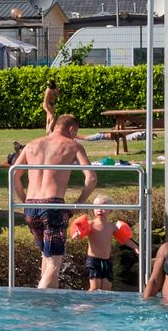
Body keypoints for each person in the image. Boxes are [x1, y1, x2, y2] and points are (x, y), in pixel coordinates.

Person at [14, 113, 93, 290]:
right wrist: (80, 202)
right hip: (53, 206)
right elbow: (92, 177)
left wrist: (24, 200)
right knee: (54, 263)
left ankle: (50, 306)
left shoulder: (32, 145)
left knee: (47, 257)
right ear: (71, 129)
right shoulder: (73, 145)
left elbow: (14, 174)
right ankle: (38, 302)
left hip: (31, 206)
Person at [67, 192, 127, 292]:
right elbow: (79, 233)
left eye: (103, 207)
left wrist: (135, 247)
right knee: (94, 288)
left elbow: (125, 239)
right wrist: (76, 235)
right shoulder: (90, 224)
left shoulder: (112, 226)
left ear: (110, 211)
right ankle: (90, 305)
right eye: (97, 207)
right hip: (93, 261)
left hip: (107, 261)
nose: (99, 210)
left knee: (107, 289)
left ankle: (103, 307)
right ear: (93, 210)